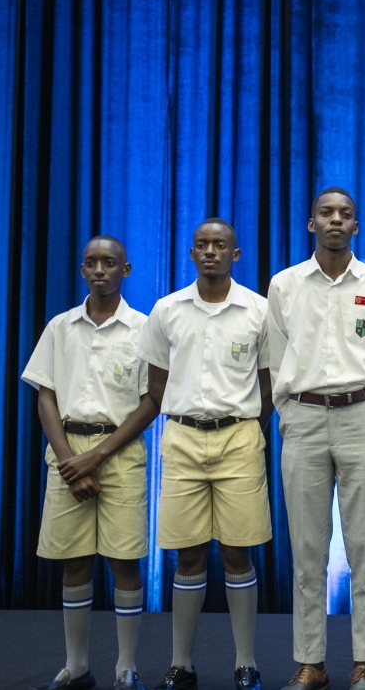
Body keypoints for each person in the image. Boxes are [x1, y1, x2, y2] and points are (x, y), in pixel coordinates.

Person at [268, 188, 365, 690]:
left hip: (361, 415)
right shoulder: (284, 285)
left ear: (356, 226)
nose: (336, 220)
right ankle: (311, 662)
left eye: (345, 214)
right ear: (310, 223)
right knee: (307, 551)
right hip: (302, 419)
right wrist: (287, 412)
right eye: (327, 213)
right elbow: (276, 359)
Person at [138, 219, 273, 690]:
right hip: (182, 437)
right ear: (190, 254)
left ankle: (245, 662)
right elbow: (157, 385)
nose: (211, 251)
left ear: (236, 255)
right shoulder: (167, 310)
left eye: (221, 245)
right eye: (202, 245)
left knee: (238, 551)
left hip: (239, 437)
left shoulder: (259, 310)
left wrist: (245, 428)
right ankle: (181, 664)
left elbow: (268, 385)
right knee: (188, 554)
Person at [22, 236, 159, 690]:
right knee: (74, 561)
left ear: (127, 270)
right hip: (67, 453)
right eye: (92, 263)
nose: (101, 270)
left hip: (117, 454)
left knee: (123, 561)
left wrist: (97, 456)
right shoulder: (60, 326)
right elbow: (46, 394)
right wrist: (68, 461)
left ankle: (126, 667)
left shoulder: (143, 329)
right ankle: (76, 665)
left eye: (110, 263)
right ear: (82, 270)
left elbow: (151, 401)